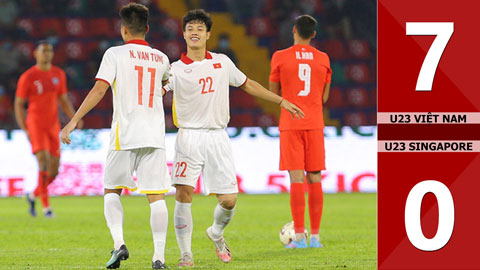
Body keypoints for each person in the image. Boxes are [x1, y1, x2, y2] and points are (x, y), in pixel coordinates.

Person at [166, 9, 304, 267]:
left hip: (218, 137)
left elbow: (249, 84)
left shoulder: (222, 62)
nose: (194, 32)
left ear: (208, 34)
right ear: (183, 34)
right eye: (189, 28)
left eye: (199, 28)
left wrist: (281, 101)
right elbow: (154, 94)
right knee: (184, 193)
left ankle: (216, 234)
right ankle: (186, 254)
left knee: (228, 201)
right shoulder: (173, 70)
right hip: (188, 137)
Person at [60, 3, 170, 269]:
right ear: (146, 28)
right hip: (155, 135)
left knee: (112, 190)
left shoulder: (115, 54)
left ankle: (119, 244)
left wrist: (73, 119)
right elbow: (167, 82)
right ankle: (159, 258)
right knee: (156, 196)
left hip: (125, 134)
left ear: (123, 30)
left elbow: (100, 89)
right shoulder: (161, 57)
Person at [269, 14, 332, 249]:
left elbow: (274, 94)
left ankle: (298, 238)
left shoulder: (280, 57)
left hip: (290, 123)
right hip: (314, 123)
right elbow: (324, 97)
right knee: (315, 178)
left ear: (294, 30)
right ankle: (315, 237)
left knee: (297, 179)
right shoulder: (323, 58)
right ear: (313, 34)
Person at [15, 40, 81, 218]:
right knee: (42, 162)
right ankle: (46, 207)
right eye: (44, 51)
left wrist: (74, 118)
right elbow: (19, 104)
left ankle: (32, 195)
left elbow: (63, 99)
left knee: (54, 170)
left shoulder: (58, 74)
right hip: (36, 124)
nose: (47, 54)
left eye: (50, 51)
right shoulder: (28, 77)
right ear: (35, 53)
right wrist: (25, 128)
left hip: (53, 126)